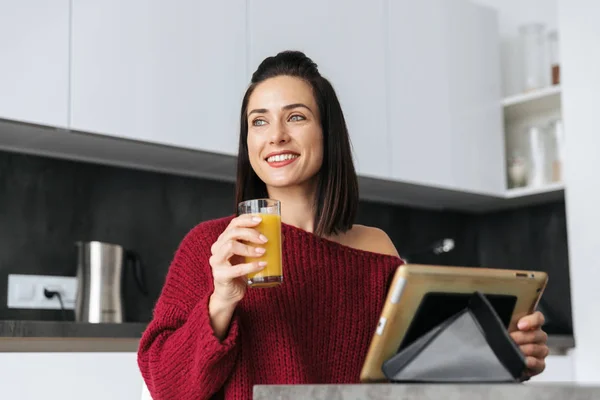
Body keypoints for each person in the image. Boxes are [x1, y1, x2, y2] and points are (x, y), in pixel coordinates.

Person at [137, 51, 549, 400]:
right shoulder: (215, 246)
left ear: (328, 133)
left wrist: (506, 355)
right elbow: (166, 387)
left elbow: (414, 375)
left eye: (295, 117)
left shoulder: (376, 250)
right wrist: (221, 300)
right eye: (258, 121)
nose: (275, 136)